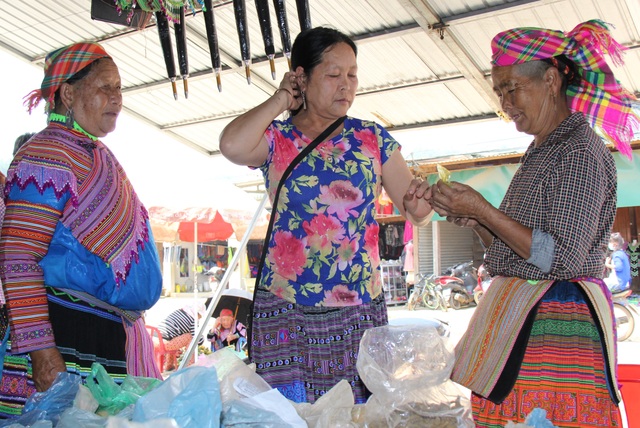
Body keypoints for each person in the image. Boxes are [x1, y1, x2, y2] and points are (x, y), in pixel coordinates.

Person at [429, 20, 638, 426]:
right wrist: (476, 219)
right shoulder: (540, 150)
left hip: (559, 329)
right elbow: (518, 251)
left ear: (551, 80)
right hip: (522, 319)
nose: (506, 102)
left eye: (513, 88)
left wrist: (487, 210)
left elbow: (560, 257)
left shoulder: (578, 150)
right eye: (500, 92)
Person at [219, 26, 434, 404]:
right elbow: (231, 145)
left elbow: (419, 212)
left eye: (352, 75)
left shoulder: (372, 138)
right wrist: (280, 99)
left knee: (357, 412)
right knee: (292, 413)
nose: (346, 85)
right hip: (287, 306)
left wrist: (423, 199)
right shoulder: (276, 139)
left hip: (357, 310)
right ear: (301, 76)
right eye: (334, 74)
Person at [0, 42, 163, 418]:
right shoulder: (47, 156)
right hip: (63, 337)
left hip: (97, 335)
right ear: (69, 94)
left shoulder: (90, 152)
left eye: (120, 88)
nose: (117, 98)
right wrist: (43, 354)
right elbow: (18, 257)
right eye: (105, 88)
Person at [156, 303, 206, 371]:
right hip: (164, 343)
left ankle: (169, 365)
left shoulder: (179, 311)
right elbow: (198, 339)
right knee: (190, 337)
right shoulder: (193, 320)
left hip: (155, 339)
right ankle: (189, 365)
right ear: (198, 313)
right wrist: (202, 337)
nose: (200, 318)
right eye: (200, 316)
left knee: (173, 336)